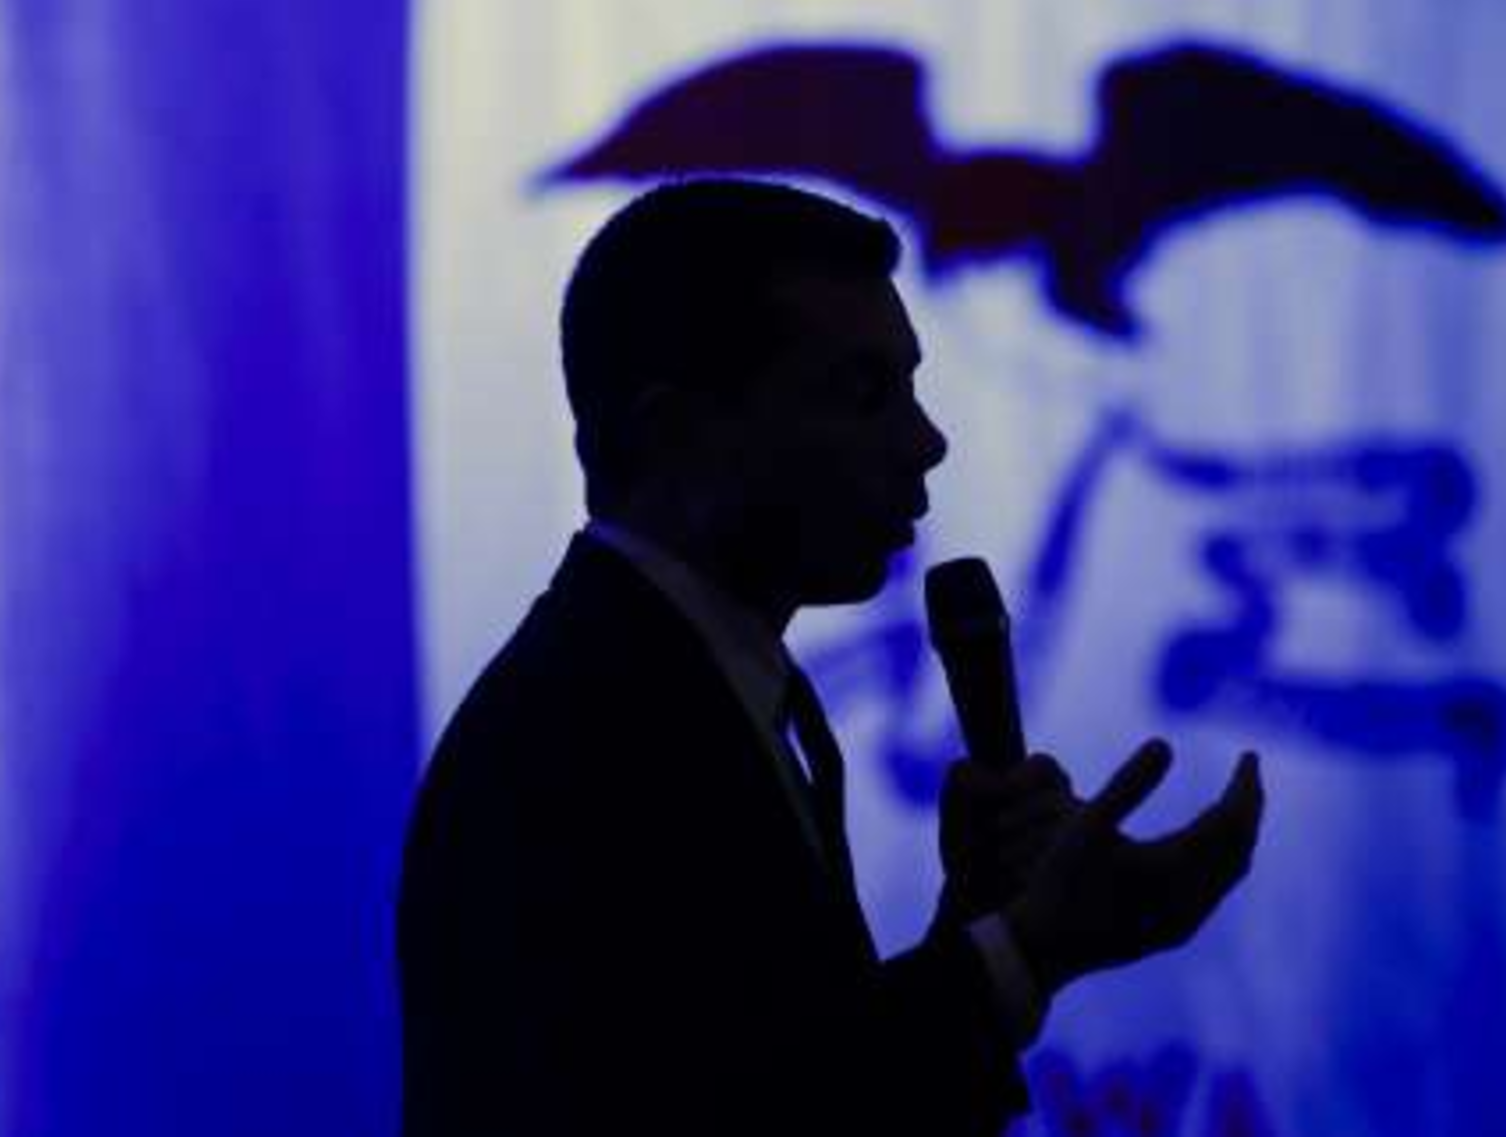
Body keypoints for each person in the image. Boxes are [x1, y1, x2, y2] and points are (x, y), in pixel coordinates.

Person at [396, 178, 1265, 1136]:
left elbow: (786, 1054)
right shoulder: (578, 737)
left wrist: (975, 918)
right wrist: (1027, 949)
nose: (927, 441)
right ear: (675, 436)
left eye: (912, 387)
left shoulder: (700, 684)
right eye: (862, 393)